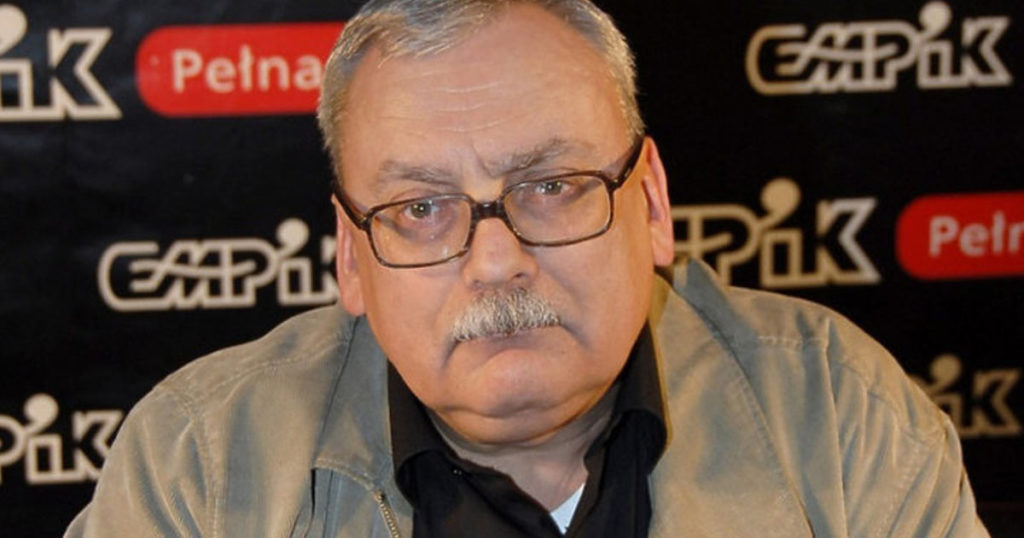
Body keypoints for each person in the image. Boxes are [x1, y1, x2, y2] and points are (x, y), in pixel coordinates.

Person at [66, 0, 989, 536]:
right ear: (350, 256)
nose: (497, 261)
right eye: (420, 208)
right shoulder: (199, 467)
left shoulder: (837, 415)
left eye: (551, 186)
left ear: (652, 204)